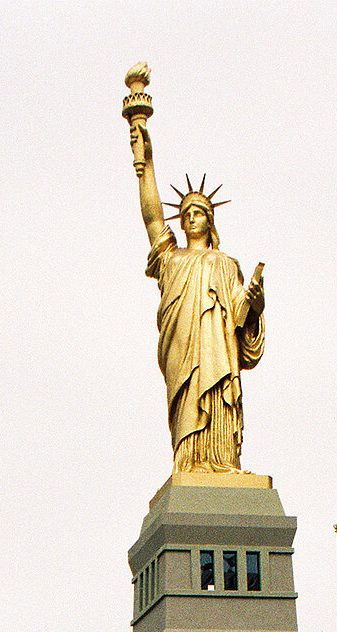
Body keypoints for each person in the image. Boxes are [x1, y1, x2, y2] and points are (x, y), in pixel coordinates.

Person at [130, 108, 265, 475]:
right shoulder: (171, 261)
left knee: (219, 404)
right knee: (189, 407)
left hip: (218, 355)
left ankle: (222, 461)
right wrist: (147, 164)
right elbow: (152, 218)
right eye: (186, 212)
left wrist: (254, 303)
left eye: (199, 212)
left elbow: (242, 317)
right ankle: (189, 462)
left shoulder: (226, 264)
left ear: (210, 219)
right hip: (182, 352)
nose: (191, 217)